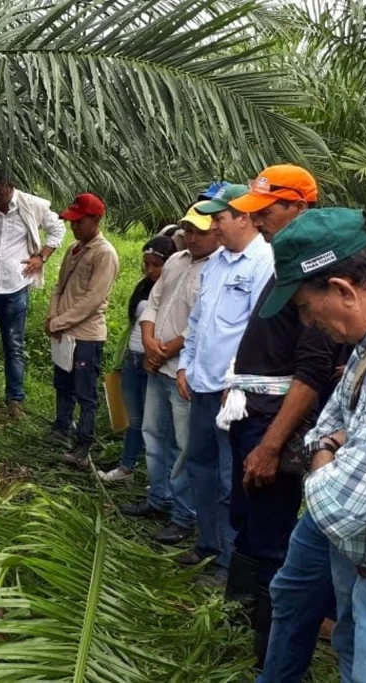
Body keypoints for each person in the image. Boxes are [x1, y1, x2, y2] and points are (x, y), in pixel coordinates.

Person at [257, 207, 366, 683]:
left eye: (303, 308)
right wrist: (332, 446)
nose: (307, 323)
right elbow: (330, 420)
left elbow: (341, 506)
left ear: (342, 290)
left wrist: (325, 454)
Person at [201, 167, 336, 666]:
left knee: (272, 534)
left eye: (268, 212)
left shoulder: (317, 280)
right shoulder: (284, 264)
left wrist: (273, 444)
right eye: (254, 214)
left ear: (299, 208)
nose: (259, 223)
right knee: (247, 520)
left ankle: (268, 654)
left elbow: (311, 371)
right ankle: (239, 621)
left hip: (274, 425)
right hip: (250, 416)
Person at [176, 184, 273, 586]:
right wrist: (184, 365)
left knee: (230, 479)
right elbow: (198, 321)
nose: (215, 226)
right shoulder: (217, 263)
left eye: (220, 218)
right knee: (200, 465)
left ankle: (229, 563)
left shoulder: (262, 263)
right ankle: (207, 542)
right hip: (200, 384)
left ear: (244, 218)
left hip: (231, 395)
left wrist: (235, 382)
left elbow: (257, 331)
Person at [122, 203, 222, 544]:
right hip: (157, 363)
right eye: (188, 231)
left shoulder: (217, 269)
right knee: (153, 434)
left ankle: (183, 515)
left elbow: (203, 323)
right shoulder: (177, 261)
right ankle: (158, 498)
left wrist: (167, 349)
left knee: (184, 446)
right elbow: (154, 303)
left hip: (181, 370)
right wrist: (150, 341)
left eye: (200, 232)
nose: (192, 238)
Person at [0, 164, 64, 418]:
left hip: (15, 287)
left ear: (10, 187)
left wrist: (42, 257)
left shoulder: (31, 205)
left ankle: (15, 400)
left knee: (14, 345)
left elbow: (58, 229)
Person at [46, 193, 120, 467]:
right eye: (72, 222)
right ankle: (61, 428)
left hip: (86, 335)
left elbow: (93, 300)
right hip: (64, 332)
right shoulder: (74, 249)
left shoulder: (104, 254)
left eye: (79, 221)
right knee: (63, 384)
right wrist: (53, 316)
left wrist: (59, 322)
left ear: (96, 220)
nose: (74, 227)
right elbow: (59, 286)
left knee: (85, 392)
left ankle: (82, 444)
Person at [97, 235, 176, 483]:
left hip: (155, 362)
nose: (151, 270)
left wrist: (155, 355)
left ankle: (159, 478)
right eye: (147, 264)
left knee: (154, 424)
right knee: (135, 419)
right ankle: (127, 467)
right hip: (133, 357)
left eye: (156, 264)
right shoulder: (144, 287)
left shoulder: (174, 290)